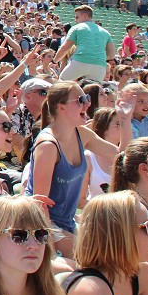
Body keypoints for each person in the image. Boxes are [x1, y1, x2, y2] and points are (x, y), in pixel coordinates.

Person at [25, 80, 130, 256]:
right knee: (99, 260)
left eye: (87, 98)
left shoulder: (82, 133)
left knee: (117, 249)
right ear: (61, 107)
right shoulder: (48, 145)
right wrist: (48, 251)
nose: (88, 103)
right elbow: (38, 205)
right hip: (42, 225)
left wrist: (125, 119)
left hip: (67, 223)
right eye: (81, 100)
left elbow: (122, 155)